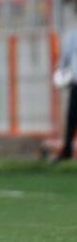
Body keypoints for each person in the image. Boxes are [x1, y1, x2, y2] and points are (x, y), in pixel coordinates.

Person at [52, 28, 77, 162]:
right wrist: (60, 74)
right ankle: (67, 150)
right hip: (75, 84)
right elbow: (64, 59)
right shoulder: (73, 36)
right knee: (72, 118)